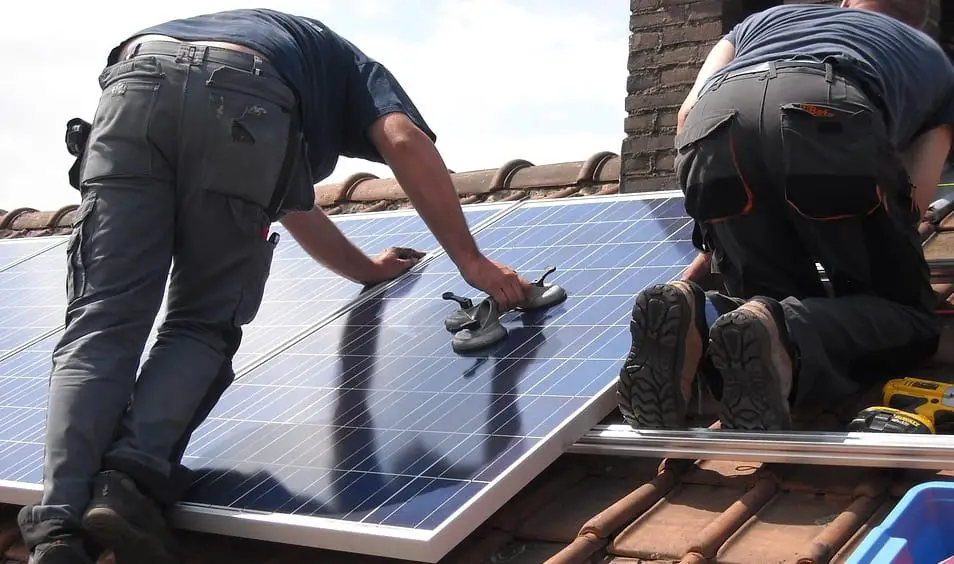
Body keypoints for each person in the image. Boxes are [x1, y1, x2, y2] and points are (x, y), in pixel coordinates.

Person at [19, 9, 532, 564]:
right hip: (249, 94)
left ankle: (58, 528)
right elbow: (401, 138)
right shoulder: (354, 69)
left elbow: (286, 201)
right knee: (200, 323)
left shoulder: (283, 45)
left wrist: (367, 270)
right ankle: (127, 479)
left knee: (103, 321)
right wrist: (471, 261)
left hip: (137, 78)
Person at [617, 0, 954, 433]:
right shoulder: (934, 65)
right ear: (917, 21)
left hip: (712, 124)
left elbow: (687, 112)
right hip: (826, 111)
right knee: (907, 317)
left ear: (846, 3)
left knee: (765, 301)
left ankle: (700, 316)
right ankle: (789, 335)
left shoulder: (765, 19)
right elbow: (914, 196)